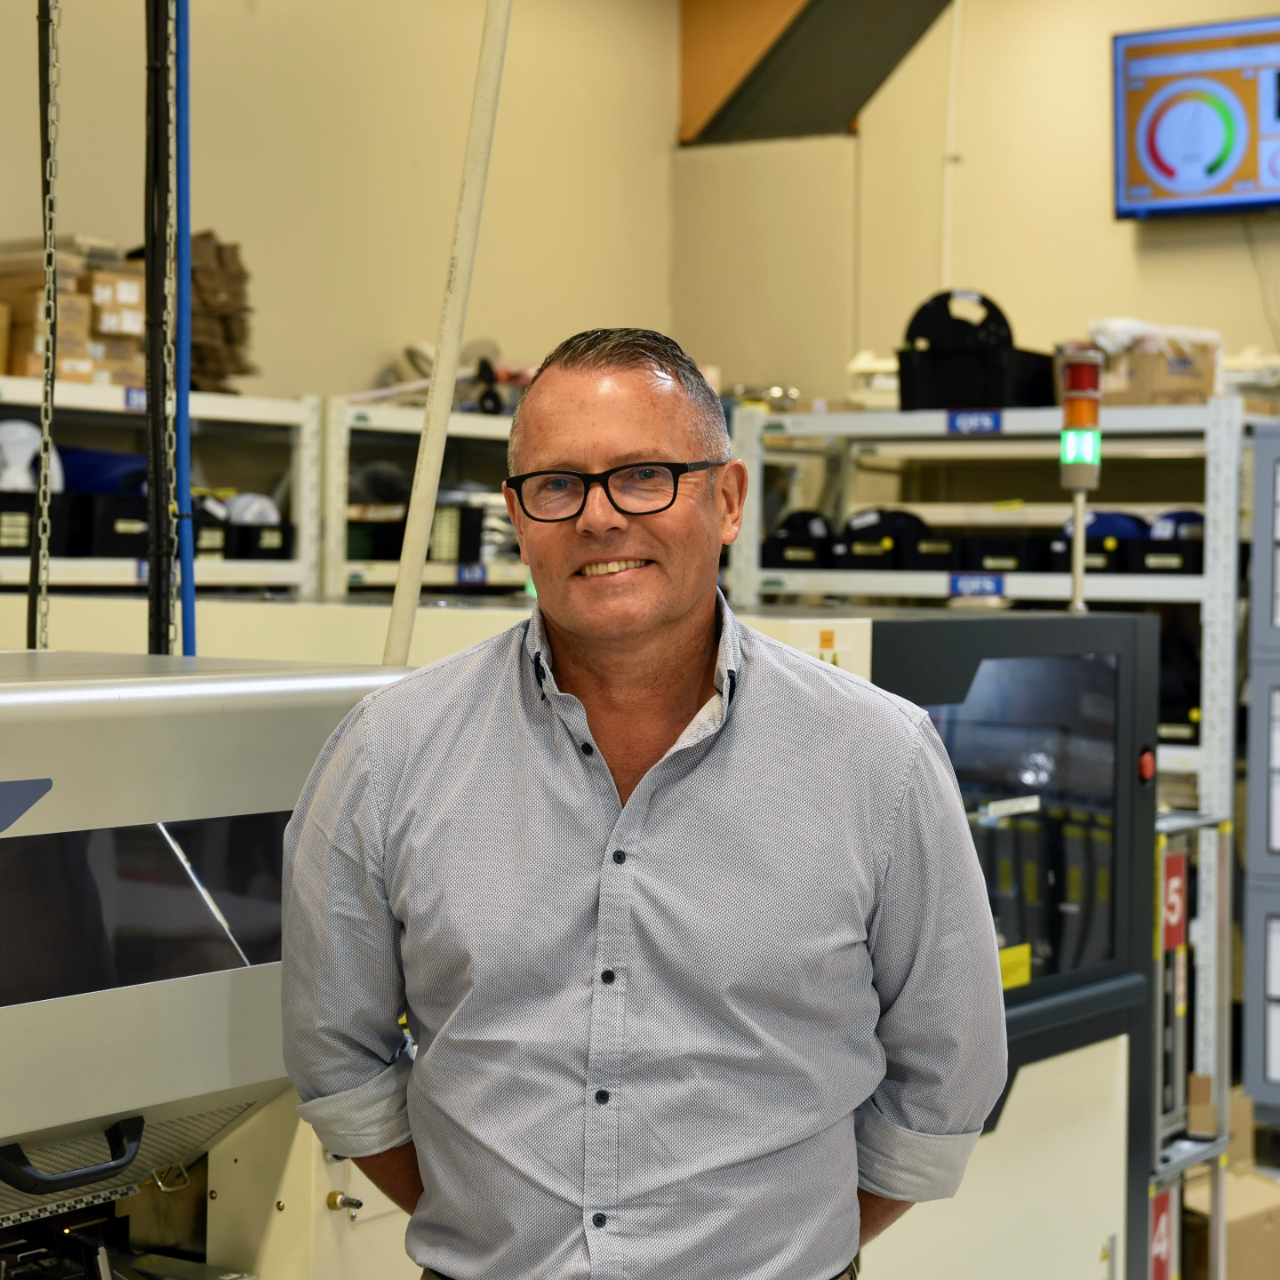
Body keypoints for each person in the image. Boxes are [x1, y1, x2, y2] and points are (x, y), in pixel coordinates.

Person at [282, 328, 1007, 1280]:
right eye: (558, 485)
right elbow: (340, 1060)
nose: (599, 518)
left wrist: (780, 1247)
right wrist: (499, 1230)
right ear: (518, 514)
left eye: (644, 475)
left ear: (730, 499)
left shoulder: (882, 759)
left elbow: (941, 1080)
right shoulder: (389, 753)